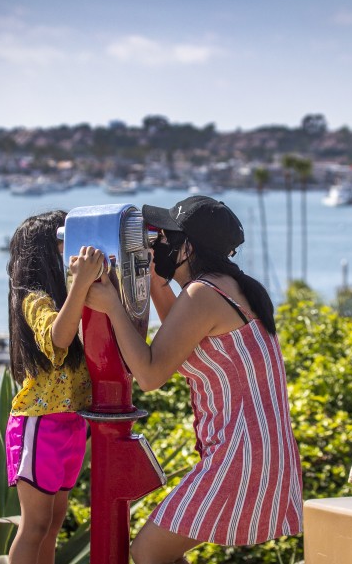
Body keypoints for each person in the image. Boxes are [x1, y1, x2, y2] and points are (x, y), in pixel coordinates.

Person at [85, 195, 303, 564]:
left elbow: (152, 373)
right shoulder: (225, 286)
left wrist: (111, 306)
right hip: (255, 450)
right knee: (162, 552)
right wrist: (154, 280)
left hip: (241, 454)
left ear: (189, 247)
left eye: (167, 237)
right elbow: (180, 337)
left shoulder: (204, 294)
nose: (161, 244)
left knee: (148, 551)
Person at [5, 210, 104, 564]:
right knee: (35, 524)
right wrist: (80, 284)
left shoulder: (69, 298)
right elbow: (57, 339)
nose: (72, 249)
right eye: (64, 241)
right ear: (45, 251)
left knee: (55, 520)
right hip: (40, 421)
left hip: (70, 423)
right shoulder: (33, 298)